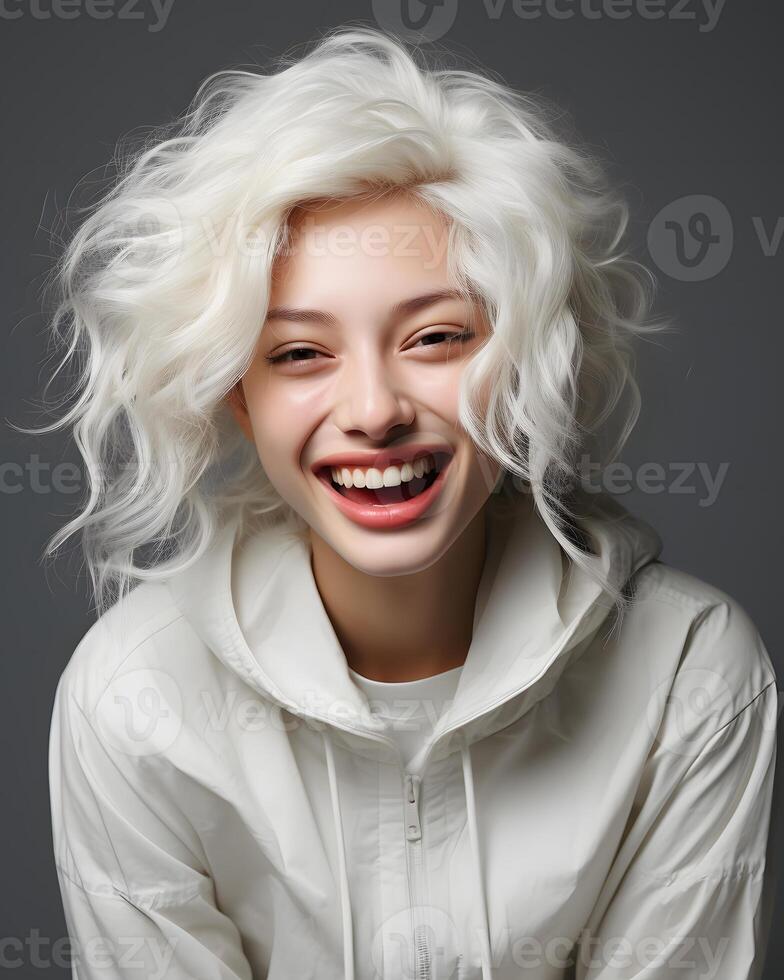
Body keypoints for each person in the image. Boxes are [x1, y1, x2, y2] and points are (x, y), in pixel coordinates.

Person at [35, 25, 779, 980]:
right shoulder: (136, 702)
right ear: (236, 390)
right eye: (300, 353)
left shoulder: (689, 676)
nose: (376, 411)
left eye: (435, 338)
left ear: (520, 354)